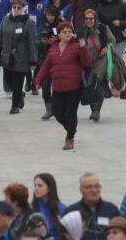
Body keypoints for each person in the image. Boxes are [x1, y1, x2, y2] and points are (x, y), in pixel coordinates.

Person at [35, 21, 93, 151]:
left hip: (73, 87)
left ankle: (70, 137)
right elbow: (46, 66)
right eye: (64, 31)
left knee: (71, 113)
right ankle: (71, 128)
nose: (67, 33)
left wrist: (83, 47)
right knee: (57, 112)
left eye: (69, 31)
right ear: (59, 35)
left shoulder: (77, 46)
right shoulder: (53, 48)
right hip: (57, 87)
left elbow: (87, 62)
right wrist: (38, 80)